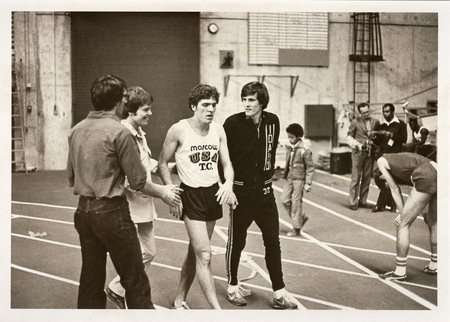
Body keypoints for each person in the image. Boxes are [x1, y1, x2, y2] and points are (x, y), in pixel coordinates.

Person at [67, 75, 181, 309]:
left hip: (84, 213)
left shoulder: (76, 131)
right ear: (119, 102)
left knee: (90, 278)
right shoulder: (120, 133)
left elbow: (71, 177)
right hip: (111, 214)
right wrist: (164, 193)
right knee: (135, 279)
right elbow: (138, 181)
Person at [158, 84, 237, 310]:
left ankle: (179, 299)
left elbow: (227, 164)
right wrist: (171, 191)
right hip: (190, 195)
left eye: (213, 105)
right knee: (204, 254)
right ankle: (217, 311)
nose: (210, 109)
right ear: (194, 106)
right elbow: (162, 162)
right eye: (205, 105)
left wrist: (229, 183)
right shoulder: (178, 130)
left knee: (195, 253)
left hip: (212, 193)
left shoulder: (218, 130)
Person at [223, 81, 298, 309]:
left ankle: (279, 292)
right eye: (244, 99)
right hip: (241, 193)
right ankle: (233, 286)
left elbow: (270, 152)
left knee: (273, 242)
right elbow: (223, 158)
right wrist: (229, 187)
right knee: (237, 242)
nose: (247, 103)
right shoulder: (233, 123)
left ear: (262, 102)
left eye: (251, 100)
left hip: (265, 194)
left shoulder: (273, 121)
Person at [104, 86, 166, 309]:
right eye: (146, 110)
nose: (150, 113)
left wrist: (167, 166)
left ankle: (118, 289)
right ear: (130, 111)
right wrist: (164, 193)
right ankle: (130, 296)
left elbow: (144, 163)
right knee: (134, 254)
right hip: (129, 203)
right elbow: (132, 178)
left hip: (143, 203)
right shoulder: (125, 134)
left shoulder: (139, 133)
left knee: (149, 251)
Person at [377, 153, 437, 281]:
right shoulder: (398, 161)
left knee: (402, 225)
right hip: (437, 170)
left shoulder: (380, 162)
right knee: (432, 221)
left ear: (382, 177)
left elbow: (394, 189)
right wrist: (403, 212)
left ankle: (400, 271)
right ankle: (434, 264)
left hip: (424, 174)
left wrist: (402, 215)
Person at [371, 103, 407, 213]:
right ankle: (392, 204)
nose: (385, 114)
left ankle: (381, 204)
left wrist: (391, 135)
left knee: (390, 179)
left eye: (387, 111)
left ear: (392, 112)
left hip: (395, 156)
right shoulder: (381, 126)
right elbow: (378, 142)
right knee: (380, 179)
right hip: (383, 157)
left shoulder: (400, 124)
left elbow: (404, 139)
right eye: (384, 112)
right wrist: (374, 138)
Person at [280, 123, 314, 237]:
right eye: (288, 137)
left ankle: (296, 228)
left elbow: (309, 167)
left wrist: (308, 183)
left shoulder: (304, 150)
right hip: (290, 177)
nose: (290, 139)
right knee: (284, 199)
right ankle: (301, 217)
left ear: (299, 136)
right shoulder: (291, 148)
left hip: (299, 179)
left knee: (296, 203)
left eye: (292, 137)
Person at [347, 102, 380, 210]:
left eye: (368, 111)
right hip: (358, 153)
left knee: (366, 178)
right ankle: (352, 202)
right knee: (355, 178)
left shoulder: (375, 121)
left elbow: (377, 137)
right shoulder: (355, 122)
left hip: (369, 154)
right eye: (364, 113)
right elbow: (349, 137)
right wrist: (358, 145)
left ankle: (363, 200)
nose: (367, 114)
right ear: (360, 113)